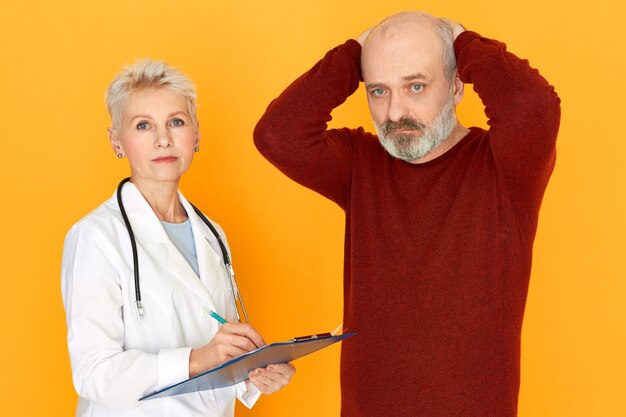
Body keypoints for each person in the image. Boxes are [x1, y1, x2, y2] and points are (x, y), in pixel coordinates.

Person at [254, 11, 560, 417]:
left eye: (415, 86)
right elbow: (277, 134)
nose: (396, 112)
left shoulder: (505, 168)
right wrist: (352, 55)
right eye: (379, 91)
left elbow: (533, 106)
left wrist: (462, 40)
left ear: (455, 87)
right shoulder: (359, 164)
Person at [61, 59, 295, 417]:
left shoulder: (212, 233)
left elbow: (220, 348)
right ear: (116, 141)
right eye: (143, 125)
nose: (163, 139)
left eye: (176, 122)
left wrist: (254, 372)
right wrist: (197, 359)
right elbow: (94, 373)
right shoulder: (96, 236)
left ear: (196, 134)